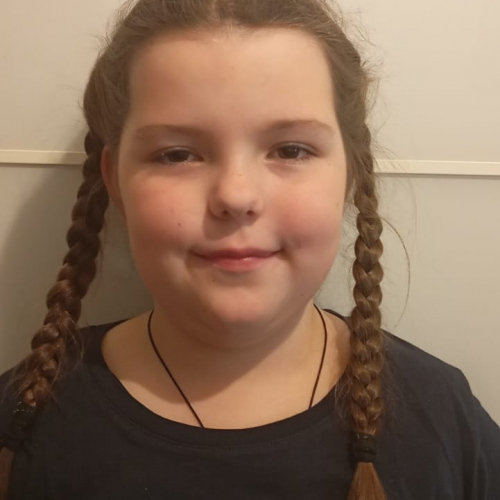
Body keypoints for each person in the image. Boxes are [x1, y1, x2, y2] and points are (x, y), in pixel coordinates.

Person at [1, 0, 499, 498]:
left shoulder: (443, 417)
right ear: (115, 183)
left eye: (291, 150)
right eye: (177, 154)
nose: (236, 196)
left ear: (350, 174)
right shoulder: (23, 427)